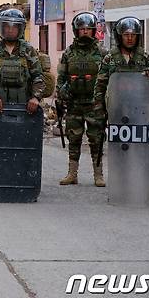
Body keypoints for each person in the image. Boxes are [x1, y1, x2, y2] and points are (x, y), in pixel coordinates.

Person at [56, 12, 107, 187]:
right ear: (76, 31)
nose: (85, 32)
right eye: (81, 29)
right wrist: (60, 95)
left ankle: (98, 174)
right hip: (74, 103)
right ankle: (72, 173)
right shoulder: (68, 53)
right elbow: (61, 77)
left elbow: (109, 77)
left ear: (93, 31)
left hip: (95, 104)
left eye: (88, 29)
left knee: (97, 139)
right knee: (74, 138)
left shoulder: (102, 53)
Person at [0, 8, 45, 115]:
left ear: (20, 29)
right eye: (6, 26)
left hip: (24, 107)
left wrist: (35, 98)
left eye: (14, 27)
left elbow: (38, 77)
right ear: (1, 28)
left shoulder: (29, 50)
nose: (10, 30)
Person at [93, 16, 149, 122]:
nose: (130, 38)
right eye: (126, 35)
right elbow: (100, 86)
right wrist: (100, 111)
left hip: (140, 108)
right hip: (117, 108)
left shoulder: (144, 57)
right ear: (119, 37)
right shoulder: (110, 58)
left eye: (133, 35)